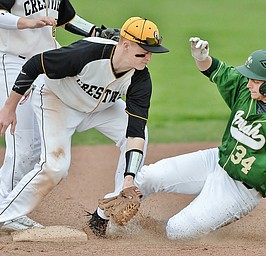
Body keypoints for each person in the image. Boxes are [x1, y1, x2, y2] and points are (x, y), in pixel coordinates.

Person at [133, 37, 266, 240]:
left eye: (255, 80)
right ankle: (103, 219)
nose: (248, 83)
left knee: (178, 231)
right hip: (215, 160)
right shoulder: (245, 89)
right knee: (147, 177)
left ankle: (180, 224)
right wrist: (201, 57)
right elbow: (213, 70)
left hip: (241, 190)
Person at [0, 15, 168, 234]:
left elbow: (135, 132)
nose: (148, 58)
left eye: (151, 53)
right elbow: (35, 64)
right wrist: (10, 107)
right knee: (55, 167)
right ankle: (5, 214)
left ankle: (112, 206)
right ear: (125, 45)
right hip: (56, 100)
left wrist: (130, 178)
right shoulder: (88, 53)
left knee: (138, 132)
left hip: (99, 109)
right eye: (143, 52)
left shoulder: (140, 78)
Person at [0, 0, 120, 232]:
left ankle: (7, 207)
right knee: (23, 145)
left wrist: (96, 31)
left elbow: (68, 20)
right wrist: (28, 22)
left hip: (44, 66)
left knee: (35, 148)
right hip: (12, 62)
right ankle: (5, 211)